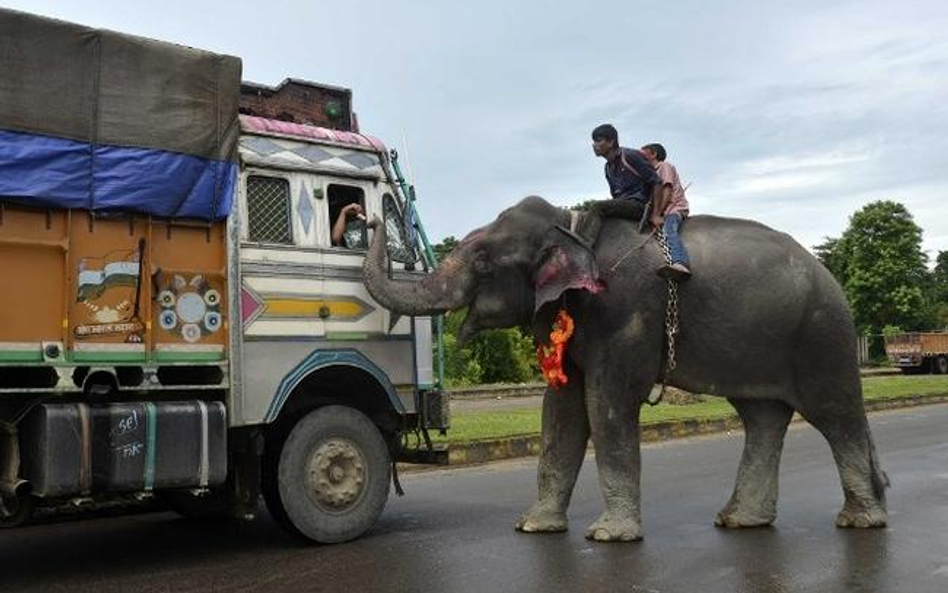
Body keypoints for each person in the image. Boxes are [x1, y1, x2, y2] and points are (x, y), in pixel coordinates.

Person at [591, 123, 662, 223]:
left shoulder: (630, 156)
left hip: (639, 205)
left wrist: (656, 214)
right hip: (623, 204)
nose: (594, 145)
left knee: (597, 207)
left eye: (598, 141)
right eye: (594, 142)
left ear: (611, 142)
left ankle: (585, 239)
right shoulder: (608, 168)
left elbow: (657, 182)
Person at [641, 142, 691, 280]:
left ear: (654, 154)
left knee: (669, 230)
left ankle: (681, 263)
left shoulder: (664, 166)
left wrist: (657, 213)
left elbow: (667, 190)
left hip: (674, 208)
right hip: (663, 211)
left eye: (642, 152)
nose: (639, 155)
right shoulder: (650, 174)